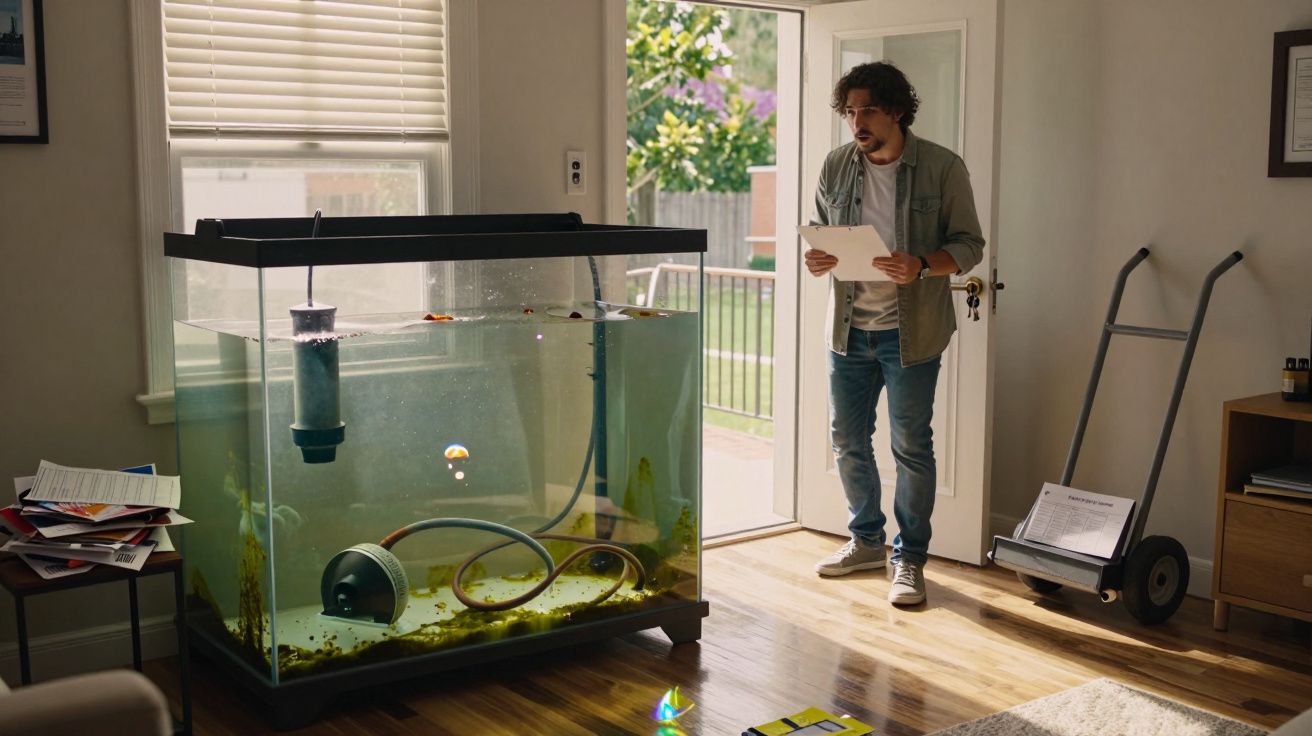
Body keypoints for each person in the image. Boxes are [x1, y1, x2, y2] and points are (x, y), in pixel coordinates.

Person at [805, 61, 984, 606]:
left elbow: (971, 246)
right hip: (849, 330)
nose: (857, 120)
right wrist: (818, 259)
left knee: (910, 447)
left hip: (912, 334)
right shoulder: (836, 166)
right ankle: (865, 542)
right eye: (850, 110)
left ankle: (909, 560)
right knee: (847, 440)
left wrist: (924, 266)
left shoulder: (942, 167)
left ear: (897, 111)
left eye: (868, 110)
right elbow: (822, 233)